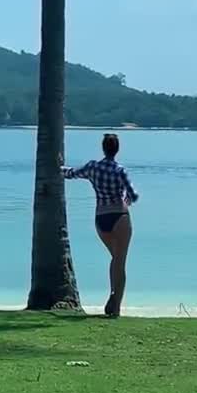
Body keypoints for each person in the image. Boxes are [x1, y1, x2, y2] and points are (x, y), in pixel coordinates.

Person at [63, 133, 139, 317]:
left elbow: (71, 173)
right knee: (120, 262)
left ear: (103, 148)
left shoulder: (93, 168)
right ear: (117, 149)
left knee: (115, 259)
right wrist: (128, 197)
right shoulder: (120, 171)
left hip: (101, 218)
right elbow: (133, 194)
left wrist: (58, 166)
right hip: (120, 216)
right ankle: (116, 304)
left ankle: (113, 295)